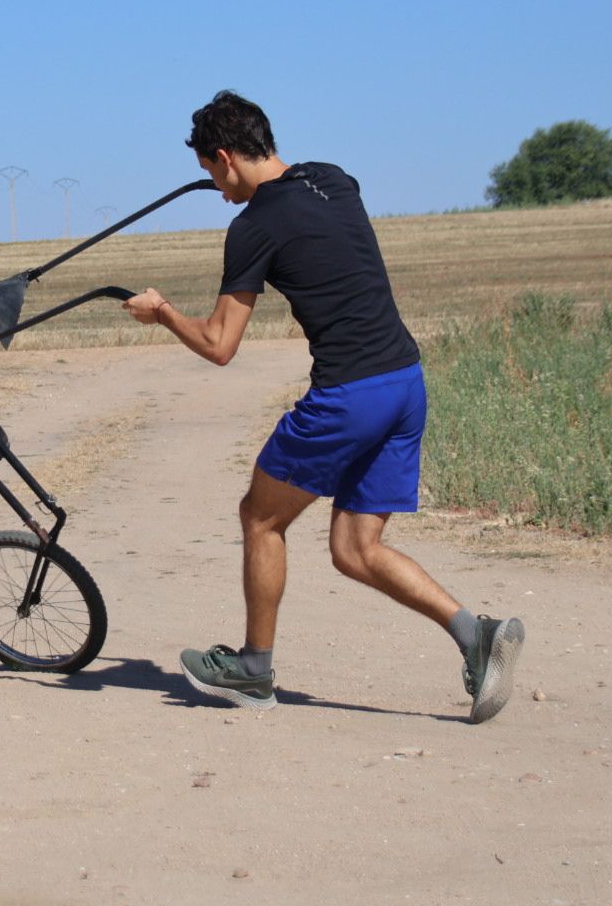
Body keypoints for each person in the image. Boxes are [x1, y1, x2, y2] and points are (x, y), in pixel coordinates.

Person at [124, 90, 524, 724]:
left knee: (260, 517)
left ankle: (254, 670)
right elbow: (314, 228)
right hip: (404, 382)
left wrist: (163, 312)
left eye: (212, 173)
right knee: (354, 547)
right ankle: (477, 635)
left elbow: (220, 345)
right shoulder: (333, 178)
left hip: (350, 395)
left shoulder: (251, 227)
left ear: (225, 157)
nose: (218, 188)